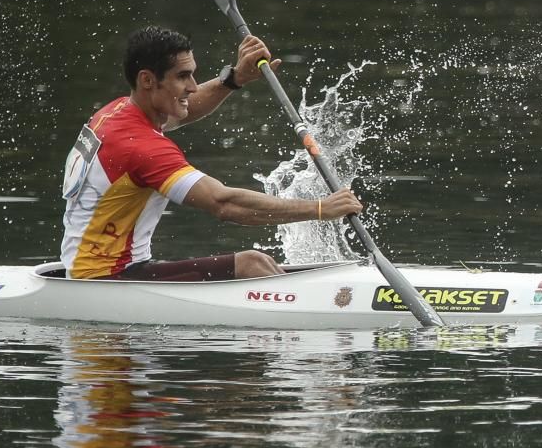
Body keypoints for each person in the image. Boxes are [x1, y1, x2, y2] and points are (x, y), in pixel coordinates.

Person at [61, 26, 362, 281]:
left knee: (262, 265)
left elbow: (183, 112)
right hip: (107, 279)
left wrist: (235, 79)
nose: (192, 87)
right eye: (182, 76)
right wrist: (321, 209)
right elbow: (224, 204)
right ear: (147, 80)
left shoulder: (115, 114)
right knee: (252, 265)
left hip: (92, 269)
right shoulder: (142, 148)